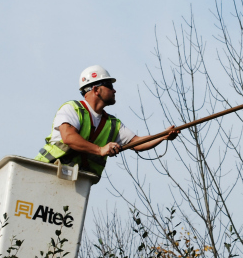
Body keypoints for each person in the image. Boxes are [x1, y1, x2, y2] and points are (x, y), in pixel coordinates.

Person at [35, 65, 177, 176]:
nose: (114, 91)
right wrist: (100, 149)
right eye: (109, 86)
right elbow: (69, 137)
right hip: (45, 171)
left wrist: (163, 136)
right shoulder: (72, 109)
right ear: (96, 89)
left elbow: (137, 143)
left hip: (77, 181)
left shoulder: (112, 124)